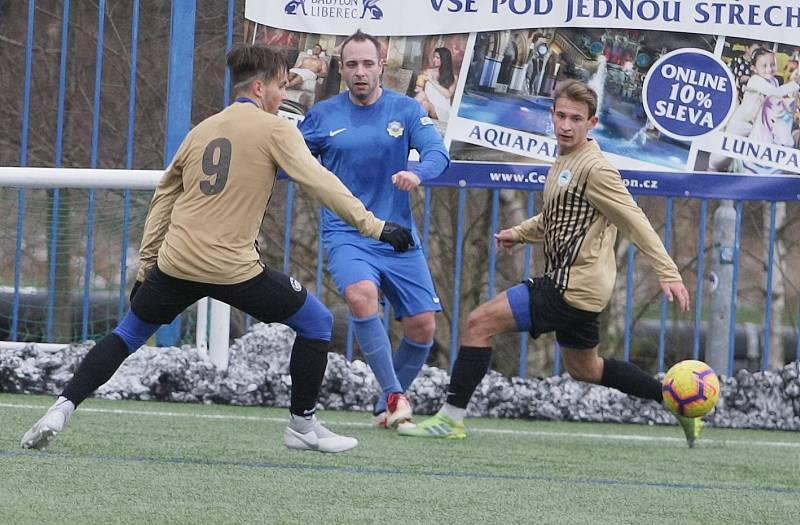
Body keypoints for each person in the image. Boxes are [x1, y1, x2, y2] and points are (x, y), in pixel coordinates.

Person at [20, 44, 414, 454]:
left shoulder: (202, 130)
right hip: (232, 268)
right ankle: (302, 426)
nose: (284, 96)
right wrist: (376, 226)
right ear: (260, 88)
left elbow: (165, 199)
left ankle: (61, 408)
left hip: (176, 262)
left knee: (127, 335)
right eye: (281, 87)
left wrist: (147, 266)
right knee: (316, 323)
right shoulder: (276, 129)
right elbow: (321, 182)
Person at [401, 80, 702, 448]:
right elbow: (555, 218)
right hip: (586, 290)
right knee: (586, 369)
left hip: (571, 286)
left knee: (478, 323)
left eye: (576, 119)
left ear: (592, 123)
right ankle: (676, 403)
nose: (566, 125)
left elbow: (634, 220)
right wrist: (519, 233)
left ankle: (451, 419)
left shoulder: (596, 169)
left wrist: (668, 273)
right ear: (552, 115)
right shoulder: (566, 159)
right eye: (560, 116)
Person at [299, 30, 450, 430]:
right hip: (347, 233)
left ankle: (387, 402)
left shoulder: (406, 110)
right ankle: (397, 397)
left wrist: (417, 174)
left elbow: (438, 153)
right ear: (341, 69)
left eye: (368, 64)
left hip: (397, 233)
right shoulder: (321, 117)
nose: (360, 72)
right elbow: (286, 161)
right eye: (352, 65)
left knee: (423, 328)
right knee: (361, 295)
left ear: (382, 65)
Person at [414, 47, 457, 122]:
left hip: (441, 108)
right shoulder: (428, 71)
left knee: (424, 101)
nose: (434, 60)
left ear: (444, 59)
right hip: (428, 101)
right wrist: (419, 87)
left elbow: (448, 94)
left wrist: (432, 81)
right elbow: (421, 88)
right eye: (434, 57)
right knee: (423, 100)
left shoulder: (453, 76)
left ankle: (404, 115)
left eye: (437, 58)